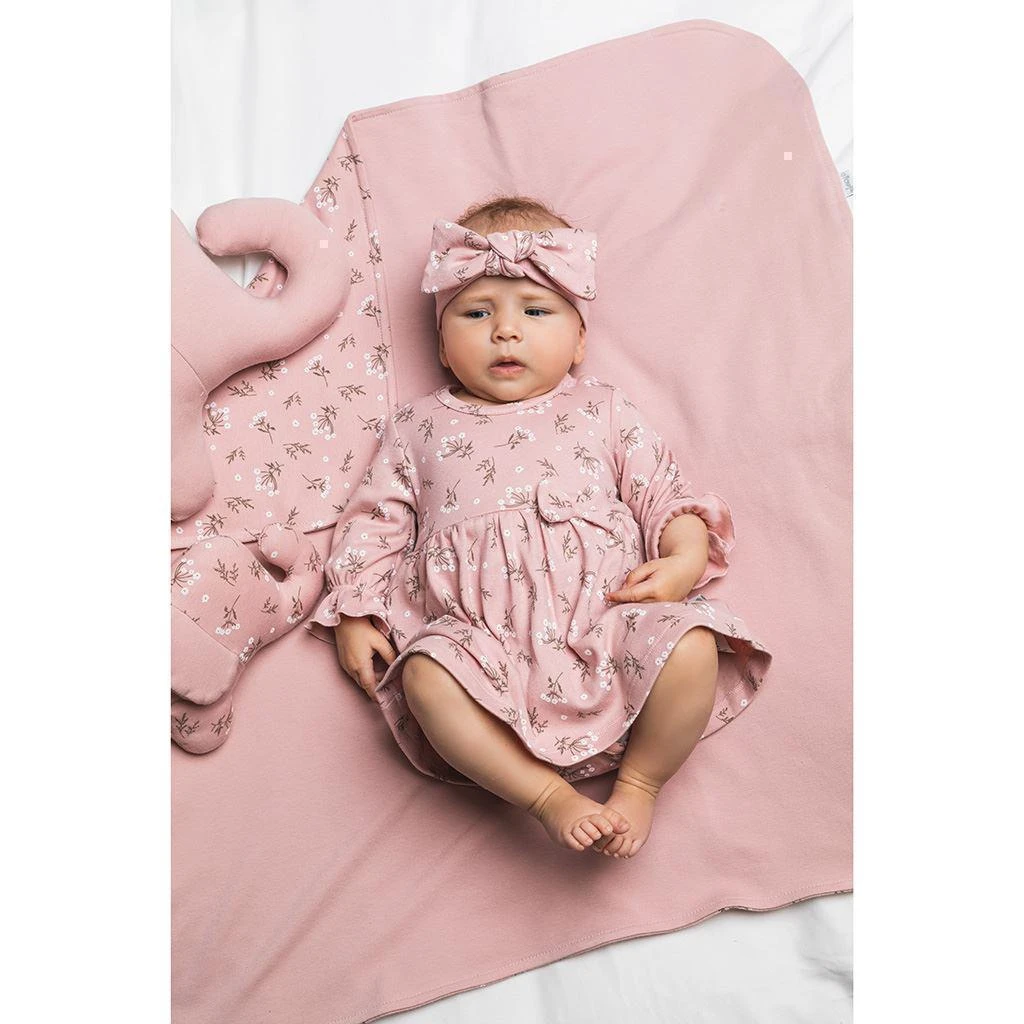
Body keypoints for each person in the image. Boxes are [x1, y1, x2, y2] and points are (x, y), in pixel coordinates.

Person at [312, 195, 772, 859]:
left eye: (535, 311)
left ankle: (640, 782)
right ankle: (545, 796)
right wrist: (356, 614)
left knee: (693, 641)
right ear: (441, 344)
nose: (506, 331)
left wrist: (683, 559)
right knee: (425, 676)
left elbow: (666, 497)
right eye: (477, 313)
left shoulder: (601, 409)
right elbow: (372, 526)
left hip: (606, 628)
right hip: (481, 652)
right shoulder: (416, 428)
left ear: (579, 340)